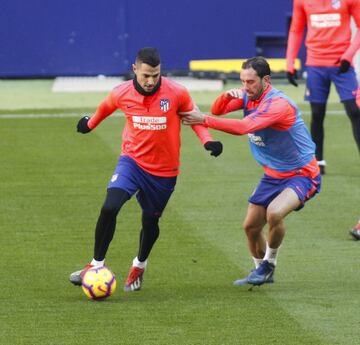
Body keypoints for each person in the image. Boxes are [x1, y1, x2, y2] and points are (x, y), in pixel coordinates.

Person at [69, 47, 223, 292]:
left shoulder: (177, 93)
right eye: (145, 76)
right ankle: (96, 265)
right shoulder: (122, 93)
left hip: (164, 171)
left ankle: (139, 263)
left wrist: (208, 141)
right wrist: (90, 123)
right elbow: (106, 107)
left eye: (155, 75)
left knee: (150, 222)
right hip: (132, 161)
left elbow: (195, 119)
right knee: (110, 206)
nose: (151, 81)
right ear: (134, 70)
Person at [181, 56, 321, 286]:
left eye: (250, 82)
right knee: (251, 227)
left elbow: (244, 126)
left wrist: (203, 119)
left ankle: (269, 263)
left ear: (266, 80)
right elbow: (220, 109)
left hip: (302, 174)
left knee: (274, 213)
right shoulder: (249, 94)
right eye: (242, 81)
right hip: (273, 174)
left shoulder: (278, 104)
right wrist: (227, 95)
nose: (246, 87)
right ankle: (260, 271)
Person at [286, 0, 360, 175]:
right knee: (317, 113)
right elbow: (296, 30)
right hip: (315, 65)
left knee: (355, 111)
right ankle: (318, 161)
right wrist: (290, 62)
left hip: (343, 64)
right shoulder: (301, 1)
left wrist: (348, 55)